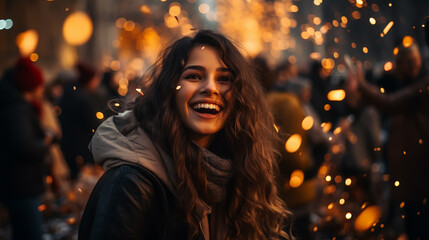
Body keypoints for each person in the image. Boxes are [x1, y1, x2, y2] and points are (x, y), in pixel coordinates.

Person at [78, 30, 293, 240]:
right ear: (170, 88)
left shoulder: (234, 171)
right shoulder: (131, 184)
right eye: (194, 76)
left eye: (224, 78)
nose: (211, 88)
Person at [347, 41, 429, 239]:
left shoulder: (423, 85)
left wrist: (362, 85)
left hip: (420, 168)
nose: (413, 66)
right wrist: (354, 90)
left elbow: (390, 102)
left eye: (415, 61)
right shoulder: (398, 81)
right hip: (406, 167)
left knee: (420, 224)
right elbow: (364, 103)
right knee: (411, 220)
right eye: (408, 61)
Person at [0, 57, 55, 240]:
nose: (41, 89)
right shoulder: (17, 109)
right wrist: (45, 142)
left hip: (17, 184)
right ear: (30, 86)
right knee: (30, 233)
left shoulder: (15, 105)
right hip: (21, 185)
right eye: (39, 85)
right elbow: (23, 146)